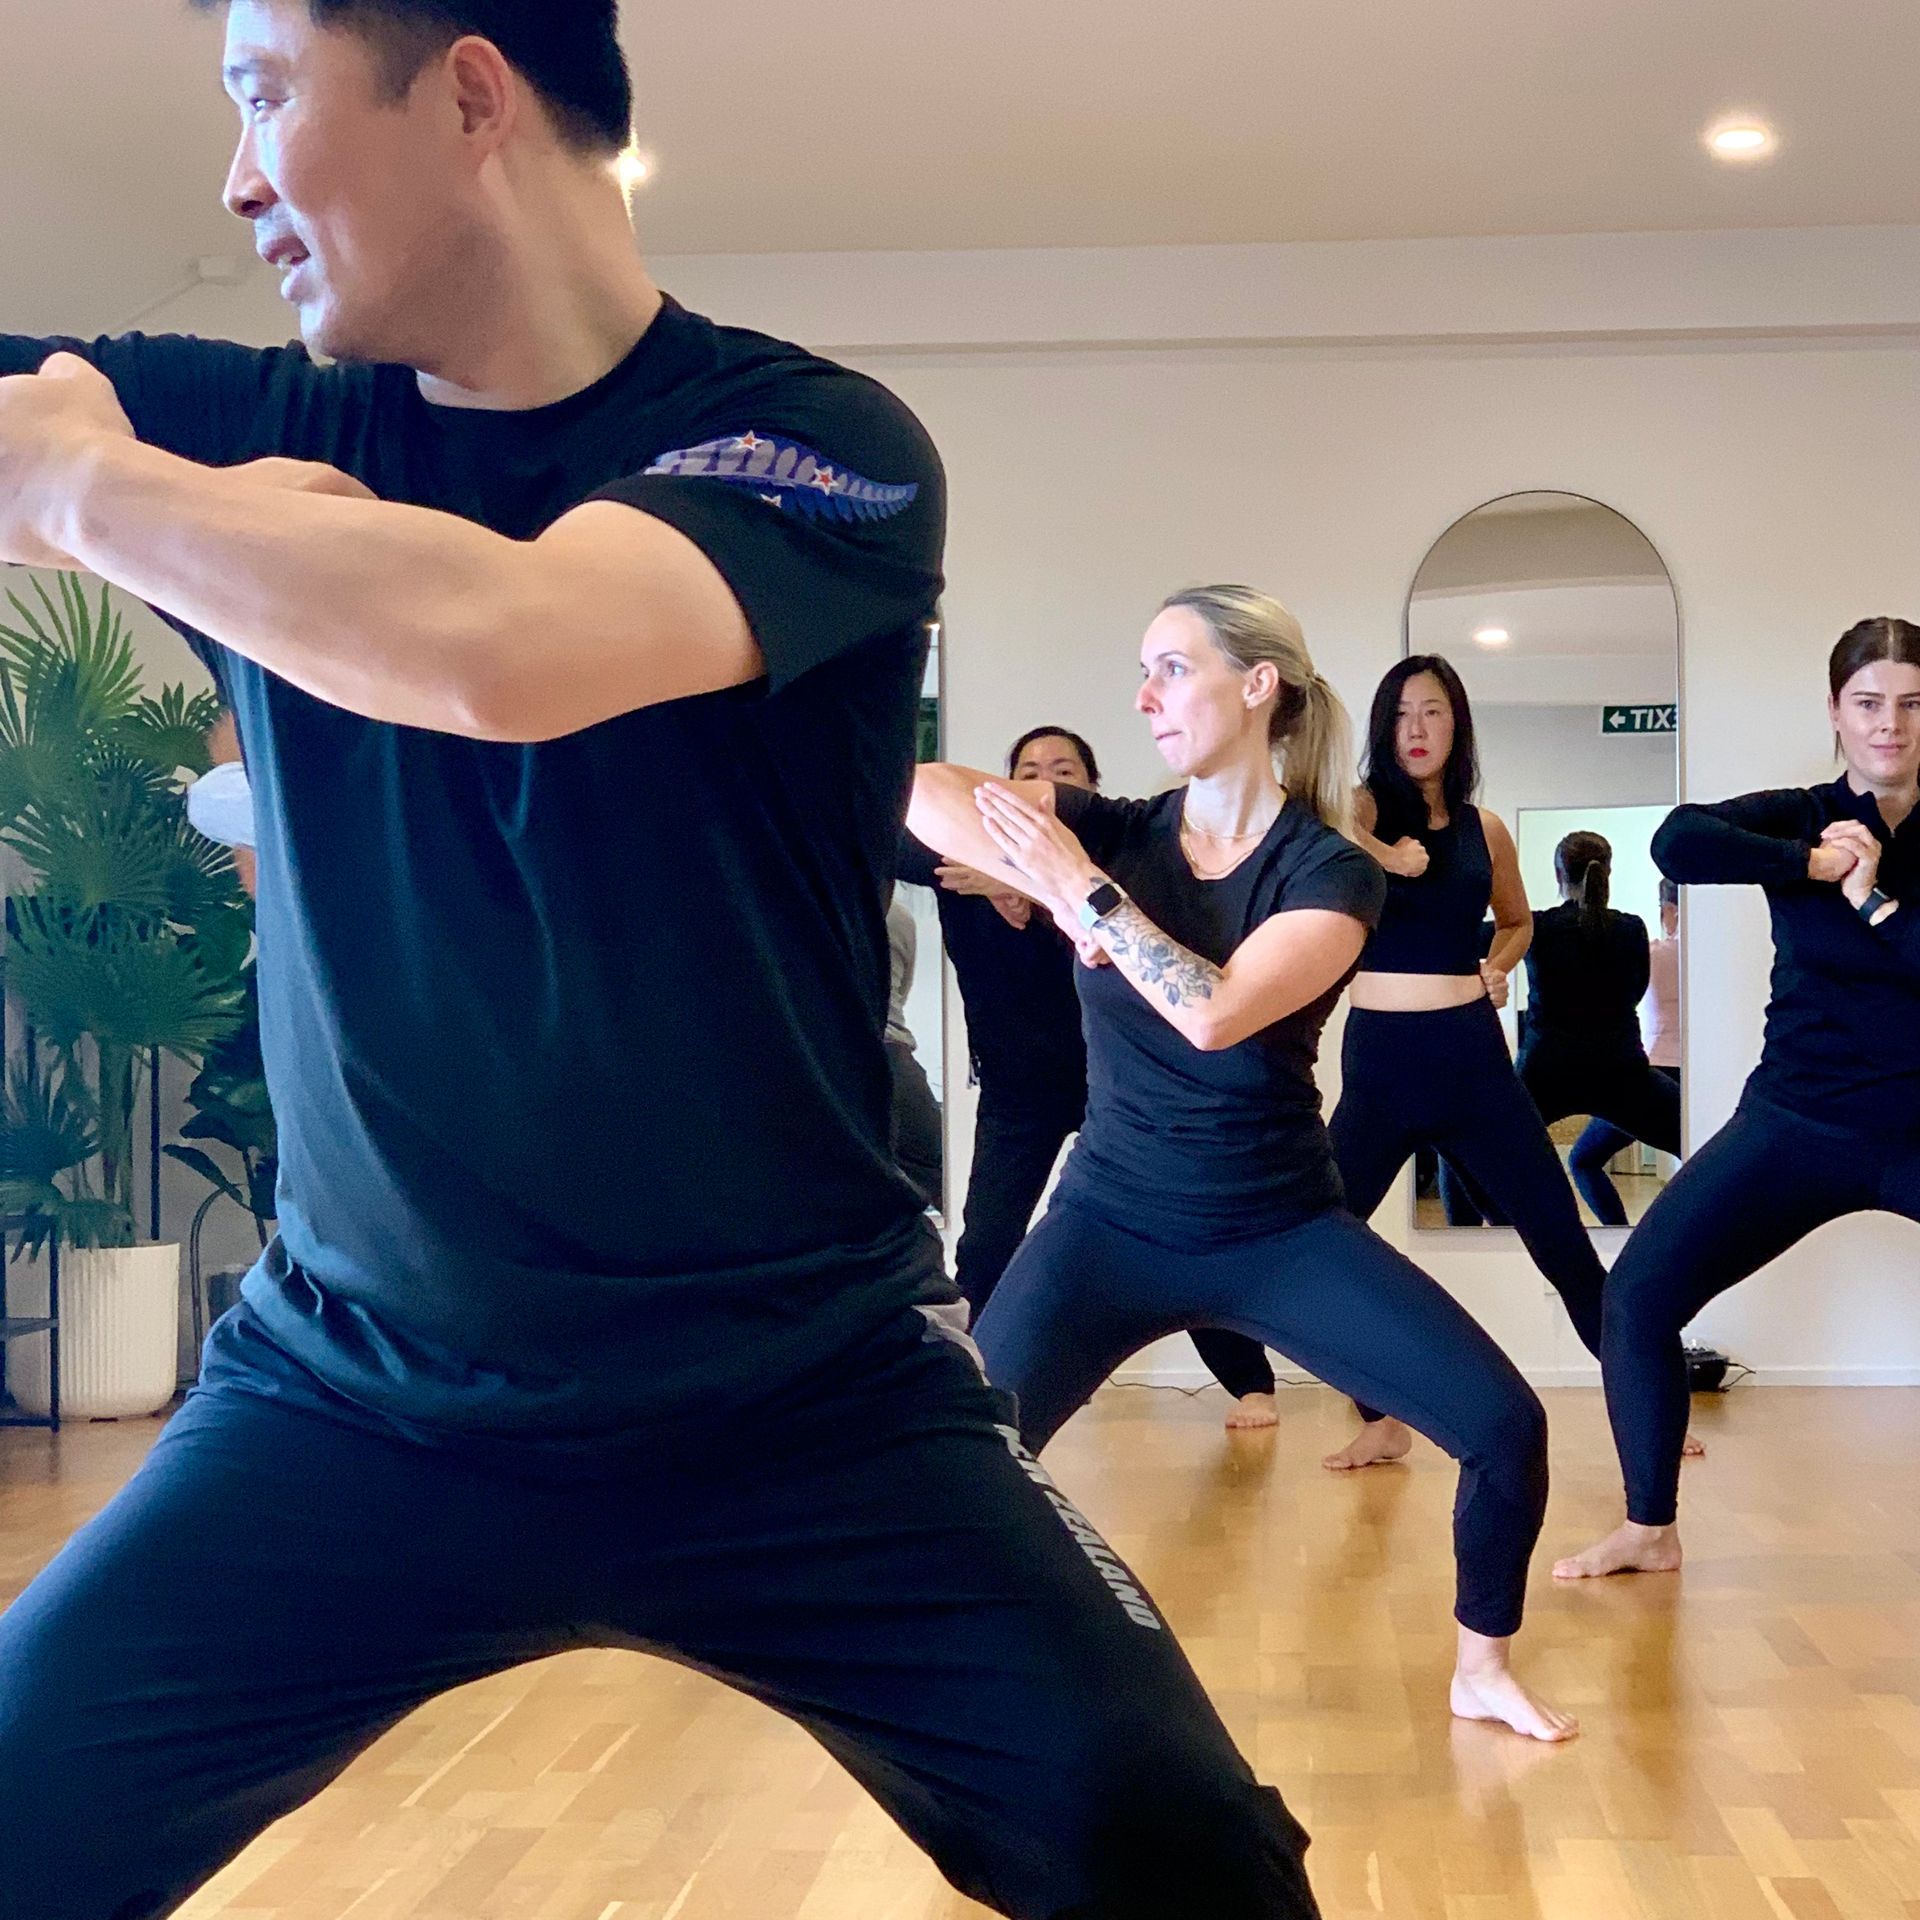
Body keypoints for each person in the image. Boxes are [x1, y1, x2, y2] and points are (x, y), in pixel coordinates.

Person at [0, 6, 1320, 1914]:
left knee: (1183, 1858)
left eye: (263, 96)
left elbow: (506, 648)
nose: (231, 177)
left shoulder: (819, 442)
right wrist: (254, 513)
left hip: (811, 1397)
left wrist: (89, 496)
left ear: (466, 93)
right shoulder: (254, 420)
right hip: (354, 1392)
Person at [911, 586, 1575, 1744]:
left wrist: (1082, 896)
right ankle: (978, 1681)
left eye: (1171, 668)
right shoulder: (1115, 824)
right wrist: (1046, 845)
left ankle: (1480, 1666)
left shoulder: (1332, 870)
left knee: (1507, 1428)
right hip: (1108, 1224)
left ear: (1257, 684)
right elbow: (915, 794)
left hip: (1279, 1231)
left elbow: (1213, 1016)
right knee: (967, 1456)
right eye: (1142, 671)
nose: (1144, 696)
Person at [1556, 617, 1920, 1582]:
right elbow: (1679, 841)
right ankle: (1648, 1526)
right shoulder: (1801, 816)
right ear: (1836, 713)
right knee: (1636, 1295)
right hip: (1797, 1122)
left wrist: (1875, 898)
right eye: (1870, 703)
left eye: (1914, 704)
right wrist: (1808, 864)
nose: (1892, 724)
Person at [903, 723, 1280, 1425]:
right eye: (1030, 769)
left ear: (1088, 789)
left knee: (1180, 1223)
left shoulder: (1114, 862)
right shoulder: (954, 864)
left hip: (1121, 1082)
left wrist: (1027, 883)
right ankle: (963, 1391)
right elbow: (874, 821)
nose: (1048, 779)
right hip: (1019, 1091)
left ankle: (1250, 1383)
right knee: (987, 1240)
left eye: (1065, 769)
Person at [1320, 657, 1610, 1472]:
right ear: (1384, 728)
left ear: (1458, 725)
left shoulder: (1485, 830)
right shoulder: (1360, 807)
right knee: (1320, 1240)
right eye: (1403, 714)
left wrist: (1504, 960)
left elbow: (1515, 921)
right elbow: (1310, 816)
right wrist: (1386, 851)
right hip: (1380, 1063)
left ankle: (1637, 1394)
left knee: (1560, 1234)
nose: (1417, 729)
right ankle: (1380, 1416)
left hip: (1473, 1062)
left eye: (1434, 712)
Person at [1520, 837, 1681, 1226]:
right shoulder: (1631, 929)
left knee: (1459, 1150)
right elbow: (1635, 988)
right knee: (1706, 1142)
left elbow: (1465, 939)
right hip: (1621, 1072)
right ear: (1608, 872)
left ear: (1559, 874)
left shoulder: (1538, 926)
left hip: (1544, 1072)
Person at [1566, 877, 1683, 1222]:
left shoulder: (1650, 953)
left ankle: (1620, 1231)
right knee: (1696, 1159)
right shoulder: (1711, 960)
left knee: (1583, 1159)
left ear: (1669, 910)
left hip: (1655, 1071)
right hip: (1697, 1073)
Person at [884, 894, 944, 1210]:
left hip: (831, 1059)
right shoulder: (898, 916)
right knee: (944, 1177)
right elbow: (900, 991)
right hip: (893, 1055)